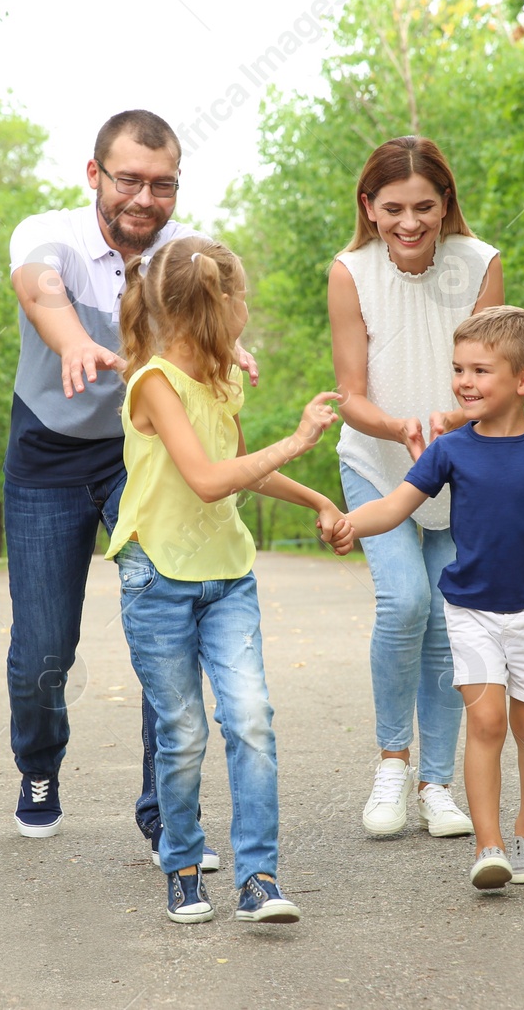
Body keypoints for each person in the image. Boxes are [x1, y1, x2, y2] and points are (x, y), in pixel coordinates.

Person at [4, 110, 252, 860]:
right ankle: (39, 767)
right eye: (130, 181)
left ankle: (164, 814)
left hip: (140, 457)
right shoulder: (50, 234)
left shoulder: (183, 254)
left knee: (167, 622)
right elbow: (40, 288)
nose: (145, 198)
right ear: (95, 176)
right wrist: (76, 341)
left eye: (163, 184)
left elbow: (218, 312)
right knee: (45, 645)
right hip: (47, 452)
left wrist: (230, 345)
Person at [105, 235, 351, 924]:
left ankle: (259, 877)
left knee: (250, 718)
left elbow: (246, 469)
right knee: (182, 732)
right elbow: (210, 480)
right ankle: (182, 864)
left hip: (228, 577)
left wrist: (321, 501)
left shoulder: (224, 376)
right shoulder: (152, 383)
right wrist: (298, 436)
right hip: (157, 576)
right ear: (221, 305)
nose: (251, 308)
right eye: (245, 295)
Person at [334, 306, 524, 890]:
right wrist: (348, 522)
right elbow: (396, 506)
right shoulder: (450, 449)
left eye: (480, 370)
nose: (464, 381)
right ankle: (489, 847)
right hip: (470, 609)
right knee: (486, 721)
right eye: (458, 369)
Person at [327, 135, 503, 838]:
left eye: (424, 207)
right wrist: (402, 427)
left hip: (463, 465)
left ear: (446, 204)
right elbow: (350, 394)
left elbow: (491, 375)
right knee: (404, 601)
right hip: (376, 459)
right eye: (393, 208)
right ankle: (391, 764)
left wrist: (455, 417)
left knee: (445, 619)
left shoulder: (480, 264)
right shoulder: (350, 271)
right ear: (368, 208)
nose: (409, 222)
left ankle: (437, 783)